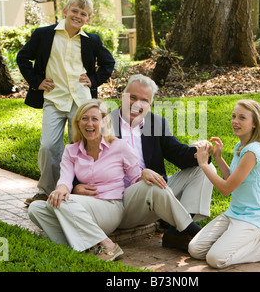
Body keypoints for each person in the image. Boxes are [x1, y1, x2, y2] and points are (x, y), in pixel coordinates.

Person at [77, 74, 214, 250]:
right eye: (132, 97)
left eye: (144, 100)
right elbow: (77, 158)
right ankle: (196, 232)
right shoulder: (102, 124)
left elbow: (178, 154)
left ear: (150, 105)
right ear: (122, 96)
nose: (136, 104)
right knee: (151, 183)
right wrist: (75, 185)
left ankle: (176, 233)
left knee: (204, 169)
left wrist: (201, 152)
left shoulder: (156, 123)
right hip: (121, 202)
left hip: (155, 194)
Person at [17, 0, 115, 206]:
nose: (78, 16)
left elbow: (108, 63)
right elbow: (22, 57)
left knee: (79, 146)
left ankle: (76, 189)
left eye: (83, 14)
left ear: (88, 18)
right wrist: (37, 81)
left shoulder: (92, 41)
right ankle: (46, 190)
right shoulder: (44, 35)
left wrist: (94, 79)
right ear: (65, 11)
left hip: (81, 102)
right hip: (54, 98)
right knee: (48, 146)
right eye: (74, 11)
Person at [28, 99, 141, 261]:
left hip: (111, 208)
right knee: (35, 208)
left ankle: (108, 245)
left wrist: (147, 177)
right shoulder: (70, 150)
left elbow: (137, 178)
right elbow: (65, 180)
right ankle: (83, 246)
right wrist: (61, 188)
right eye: (84, 118)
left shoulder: (120, 146)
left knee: (64, 202)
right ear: (78, 122)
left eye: (95, 119)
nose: (89, 123)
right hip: (80, 209)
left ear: (104, 121)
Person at [188, 99, 260, 269]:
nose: (235, 121)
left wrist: (204, 164)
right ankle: (238, 240)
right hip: (234, 213)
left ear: (255, 123)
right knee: (195, 249)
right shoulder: (240, 146)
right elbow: (231, 179)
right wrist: (218, 157)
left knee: (216, 259)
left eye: (242, 118)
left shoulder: (253, 151)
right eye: (233, 116)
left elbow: (225, 189)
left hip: (254, 217)